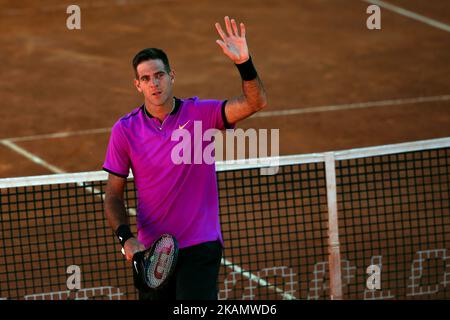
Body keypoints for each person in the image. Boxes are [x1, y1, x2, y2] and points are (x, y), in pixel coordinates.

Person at [103, 16, 267, 300]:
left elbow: (256, 102)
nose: (154, 84)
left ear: (172, 76)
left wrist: (244, 62)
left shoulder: (201, 114)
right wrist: (126, 238)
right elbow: (113, 196)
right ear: (137, 85)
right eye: (146, 78)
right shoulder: (124, 130)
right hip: (153, 253)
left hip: (200, 245)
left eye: (159, 75)